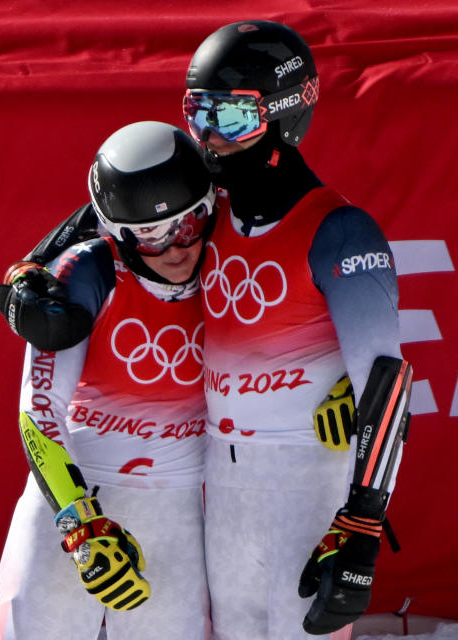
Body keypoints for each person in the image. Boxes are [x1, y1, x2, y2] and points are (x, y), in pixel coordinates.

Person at [182, 20, 413, 639]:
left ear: (283, 115)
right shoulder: (207, 209)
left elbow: (387, 385)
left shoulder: (340, 230)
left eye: (228, 119)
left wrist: (361, 525)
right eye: (195, 114)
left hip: (307, 483)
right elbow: (123, 200)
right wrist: (33, 267)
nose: (207, 139)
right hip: (222, 478)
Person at [0, 121, 216, 640]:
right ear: (116, 233)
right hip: (76, 496)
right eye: (150, 234)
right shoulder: (89, 269)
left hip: (176, 505)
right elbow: (39, 414)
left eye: (188, 225)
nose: (176, 248)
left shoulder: (230, 255)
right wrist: (80, 525)